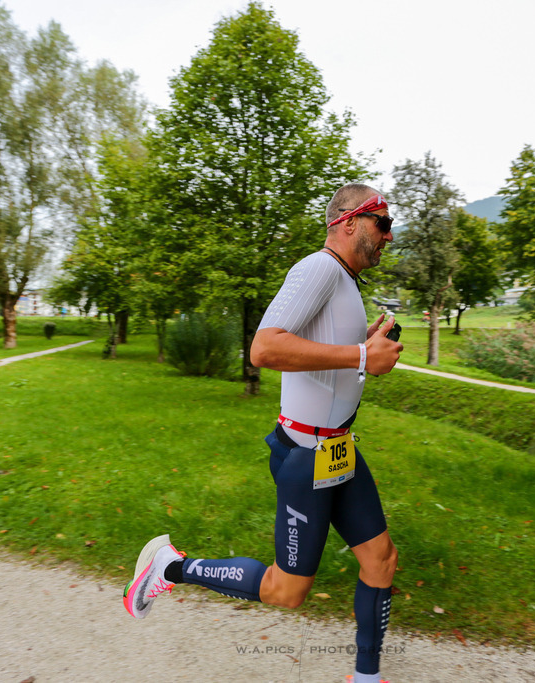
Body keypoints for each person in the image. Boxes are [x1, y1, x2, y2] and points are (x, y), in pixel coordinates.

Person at [123, 183, 404, 683]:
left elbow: (314, 354)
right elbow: (264, 349)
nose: (388, 235)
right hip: (305, 455)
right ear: (348, 221)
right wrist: (363, 356)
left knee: (380, 560)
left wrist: (362, 346)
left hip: (337, 448)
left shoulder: (343, 280)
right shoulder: (318, 267)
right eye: (382, 223)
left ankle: (366, 678)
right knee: (286, 591)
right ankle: (168, 566)